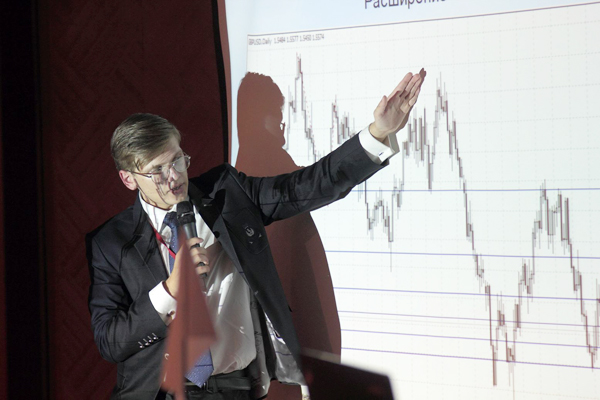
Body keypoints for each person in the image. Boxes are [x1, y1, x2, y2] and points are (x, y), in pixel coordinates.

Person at [87, 70, 425, 400]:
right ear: (129, 179)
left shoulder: (227, 193)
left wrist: (377, 133)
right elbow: (110, 341)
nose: (173, 177)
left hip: (236, 388)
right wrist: (169, 291)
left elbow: (307, 186)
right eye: (157, 171)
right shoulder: (111, 243)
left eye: (177, 161)